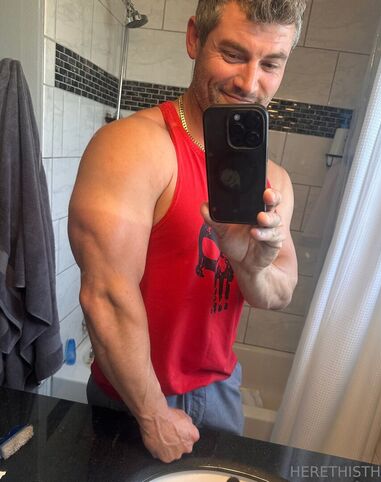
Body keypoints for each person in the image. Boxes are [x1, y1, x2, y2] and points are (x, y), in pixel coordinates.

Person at [68, 0, 304, 464]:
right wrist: (153, 414)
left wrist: (250, 265)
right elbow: (106, 297)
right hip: (135, 395)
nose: (249, 82)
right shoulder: (132, 147)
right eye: (233, 54)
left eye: (270, 64)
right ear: (195, 38)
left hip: (222, 389)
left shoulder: (274, 179)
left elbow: (278, 294)